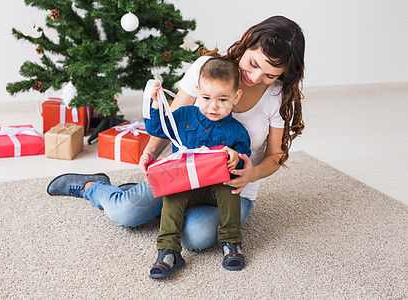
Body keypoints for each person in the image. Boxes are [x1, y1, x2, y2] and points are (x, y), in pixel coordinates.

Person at [47, 14, 305, 274]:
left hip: (232, 190)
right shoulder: (208, 67)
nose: (255, 76)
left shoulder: (277, 96)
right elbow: (174, 118)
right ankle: (93, 186)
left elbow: (275, 155)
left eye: (270, 74)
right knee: (125, 213)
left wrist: (251, 174)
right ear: (249, 42)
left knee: (195, 235)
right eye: (252, 64)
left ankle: (161, 210)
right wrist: (151, 151)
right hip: (182, 175)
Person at [145, 57, 251, 278]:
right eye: (206, 98)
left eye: (223, 99)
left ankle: (231, 243)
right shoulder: (184, 115)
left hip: (216, 187)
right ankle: (169, 250)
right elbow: (157, 128)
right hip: (185, 184)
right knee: (171, 197)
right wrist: (155, 103)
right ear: (197, 91)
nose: (213, 106)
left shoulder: (237, 131)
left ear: (236, 96)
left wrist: (235, 158)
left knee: (230, 191)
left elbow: (243, 162)